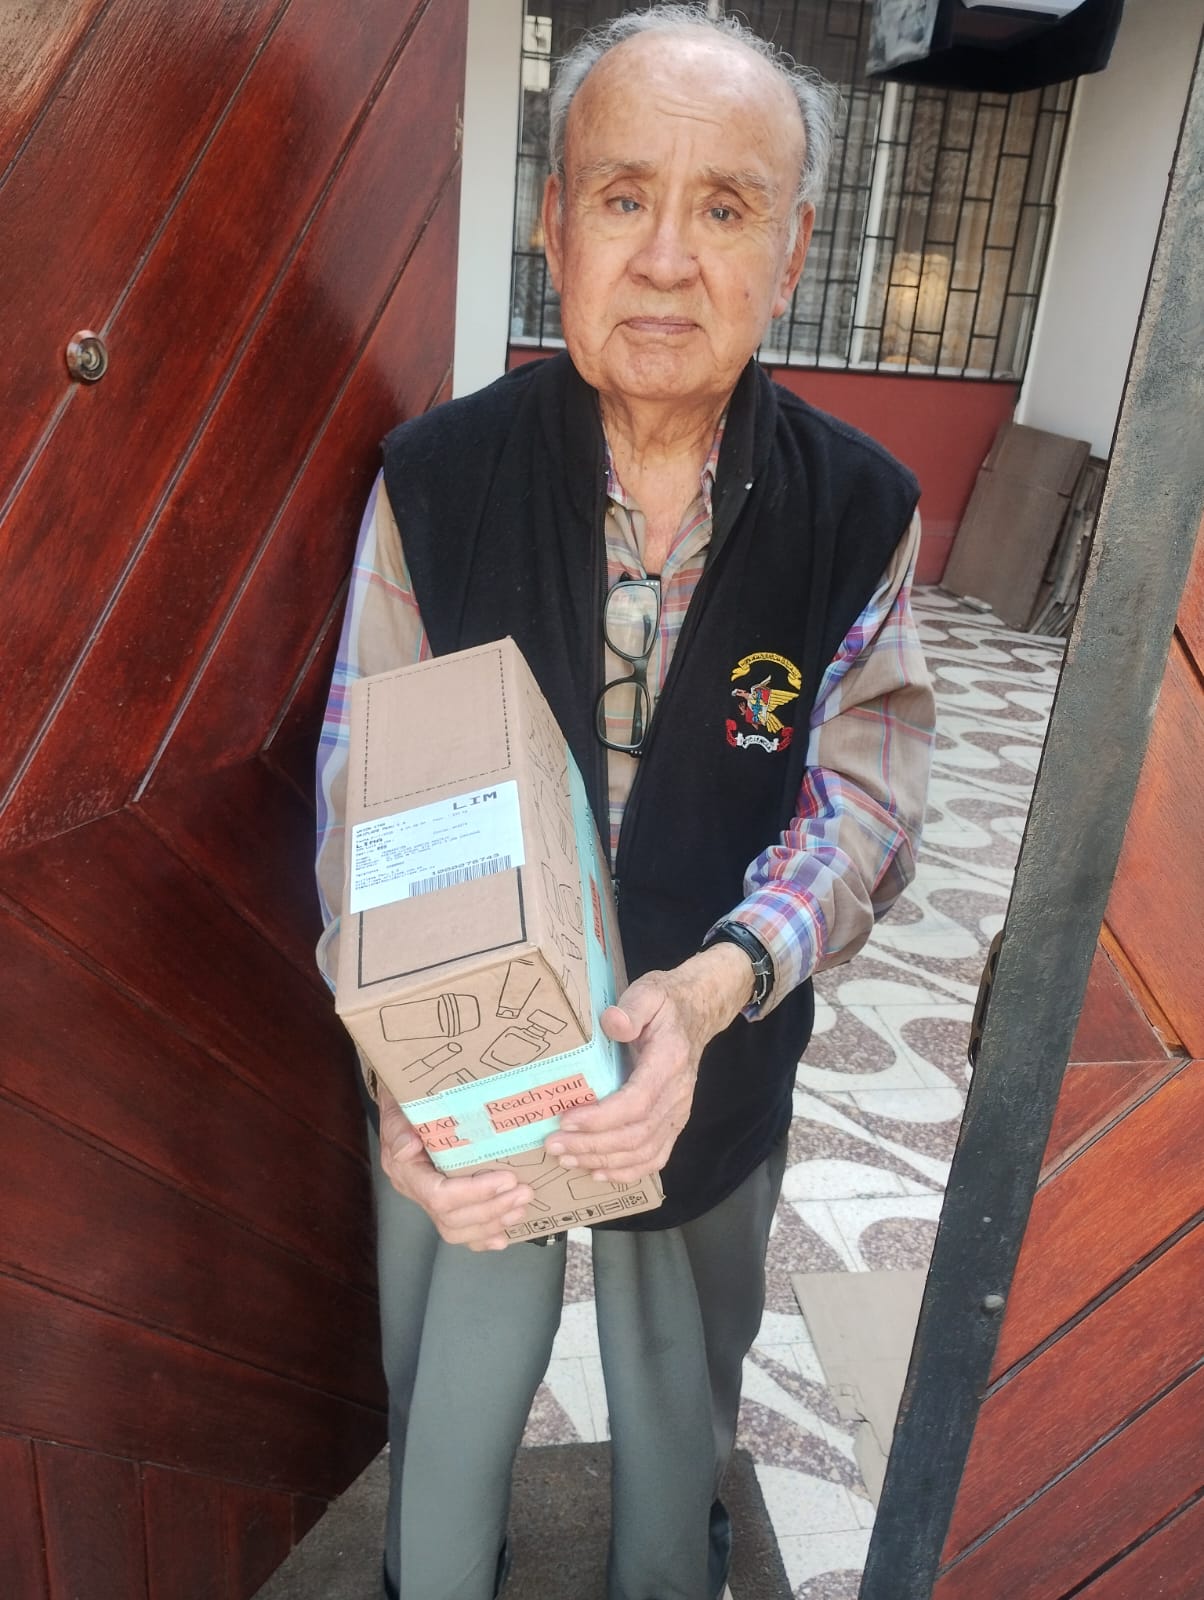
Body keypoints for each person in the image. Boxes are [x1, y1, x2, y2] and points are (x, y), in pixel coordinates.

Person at [314, 7, 934, 1598]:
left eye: (724, 207)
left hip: (714, 1041)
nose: (665, 259)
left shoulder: (857, 508)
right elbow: (361, 797)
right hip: (471, 1056)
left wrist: (719, 986)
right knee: (450, 1392)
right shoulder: (436, 480)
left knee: (681, 1400)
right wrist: (404, 1070)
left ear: (793, 255)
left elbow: (863, 802)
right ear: (554, 222)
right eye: (621, 196)